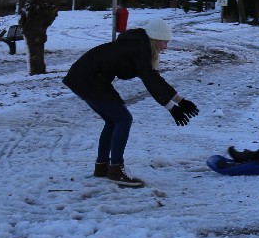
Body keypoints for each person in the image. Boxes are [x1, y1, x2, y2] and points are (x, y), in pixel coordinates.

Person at [63, 17, 198, 188]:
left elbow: (154, 78)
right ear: (155, 38)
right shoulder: (139, 48)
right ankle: (116, 170)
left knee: (113, 121)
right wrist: (171, 108)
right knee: (123, 119)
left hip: (87, 78)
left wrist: (180, 101)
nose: (166, 46)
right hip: (88, 80)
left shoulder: (138, 45)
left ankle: (102, 167)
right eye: (164, 42)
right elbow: (150, 81)